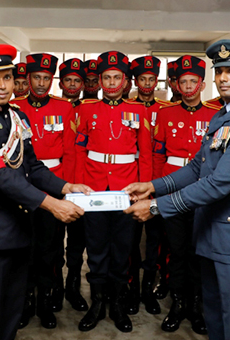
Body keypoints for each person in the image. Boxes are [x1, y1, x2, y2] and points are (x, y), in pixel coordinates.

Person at [124, 39, 230, 340]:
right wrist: (151, 186)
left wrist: (155, 207)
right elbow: (195, 168)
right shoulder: (222, 116)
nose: (222, 78)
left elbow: (217, 184)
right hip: (211, 234)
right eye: (219, 72)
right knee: (217, 317)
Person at [0, 44, 89, 340]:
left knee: (12, 311)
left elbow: (33, 167)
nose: (2, 86)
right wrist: (52, 205)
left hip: (18, 230)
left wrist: (66, 187)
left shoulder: (17, 117)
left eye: (7, 77)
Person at [74, 51, 153, 333]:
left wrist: (144, 191)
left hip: (126, 189)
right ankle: (96, 302)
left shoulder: (140, 111)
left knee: (121, 249)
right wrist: (77, 187)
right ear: (100, 81)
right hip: (93, 188)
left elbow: (145, 154)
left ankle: (117, 303)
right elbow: (79, 149)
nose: (110, 82)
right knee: (95, 248)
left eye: (116, 77)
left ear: (125, 81)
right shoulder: (85, 109)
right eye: (106, 77)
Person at [152, 55, 219, 334]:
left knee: (200, 250)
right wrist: (154, 190)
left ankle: (197, 304)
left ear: (202, 85)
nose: (189, 86)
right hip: (173, 188)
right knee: (177, 250)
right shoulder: (165, 114)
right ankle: (178, 303)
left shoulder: (216, 115)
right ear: (177, 85)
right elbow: (157, 157)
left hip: (203, 191)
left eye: (194, 81)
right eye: (184, 81)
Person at [13, 53, 76, 328]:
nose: (40, 83)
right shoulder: (14, 107)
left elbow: (71, 152)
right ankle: (25, 300)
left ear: (53, 80)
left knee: (49, 248)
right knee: (24, 245)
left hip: (54, 184)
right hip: (22, 186)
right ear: (27, 79)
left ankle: (46, 302)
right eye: (36, 77)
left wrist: (65, 191)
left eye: (46, 78)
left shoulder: (65, 108)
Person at [126, 55, 171, 315]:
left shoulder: (164, 110)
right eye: (142, 78)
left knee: (155, 241)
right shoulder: (127, 107)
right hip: (133, 183)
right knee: (132, 242)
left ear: (157, 81)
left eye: (151, 79)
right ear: (135, 80)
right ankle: (132, 290)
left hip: (161, 185)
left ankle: (149, 289)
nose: (146, 83)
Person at [57, 58, 89, 311]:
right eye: (68, 80)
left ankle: (73, 285)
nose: (72, 84)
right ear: (61, 82)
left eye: (77, 81)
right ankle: (54, 286)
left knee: (79, 240)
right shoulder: (55, 107)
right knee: (56, 240)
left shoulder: (90, 107)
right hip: (59, 181)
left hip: (87, 182)